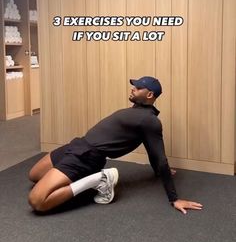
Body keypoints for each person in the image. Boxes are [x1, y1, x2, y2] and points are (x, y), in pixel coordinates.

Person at [28, 76, 203, 214]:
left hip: (87, 157)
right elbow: (151, 150)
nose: (133, 89)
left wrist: (174, 198)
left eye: (138, 87)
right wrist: (157, 170)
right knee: (34, 175)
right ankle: (87, 179)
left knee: (37, 201)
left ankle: (100, 179)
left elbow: (160, 156)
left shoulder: (150, 121)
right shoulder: (138, 112)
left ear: (150, 95)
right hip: (77, 145)